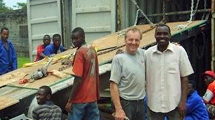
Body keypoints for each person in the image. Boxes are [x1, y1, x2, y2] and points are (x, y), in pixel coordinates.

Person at [145, 24, 194, 120]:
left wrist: (183, 102)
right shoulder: (147, 54)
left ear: (170, 35)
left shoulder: (179, 51)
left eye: (165, 34)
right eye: (159, 34)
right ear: (155, 36)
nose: (162, 36)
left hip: (175, 104)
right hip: (154, 104)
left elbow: (185, 78)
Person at [109, 27, 146, 120]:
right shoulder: (119, 59)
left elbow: (156, 51)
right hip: (126, 104)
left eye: (136, 40)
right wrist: (118, 109)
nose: (133, 42)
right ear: (125, 40)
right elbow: (113, 85)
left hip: (141, 102)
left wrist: (172, 45)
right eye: (130, 39)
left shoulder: (143, 54)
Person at [65, 27, 100, 120]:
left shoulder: (80, 52)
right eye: (72, 39)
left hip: (81, 97)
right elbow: (96, 72)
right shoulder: (92, 49)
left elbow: (78, 79)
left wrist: (70, 100)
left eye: (76, 38)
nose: (74, 41)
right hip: (92, 96)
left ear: (83, 37)